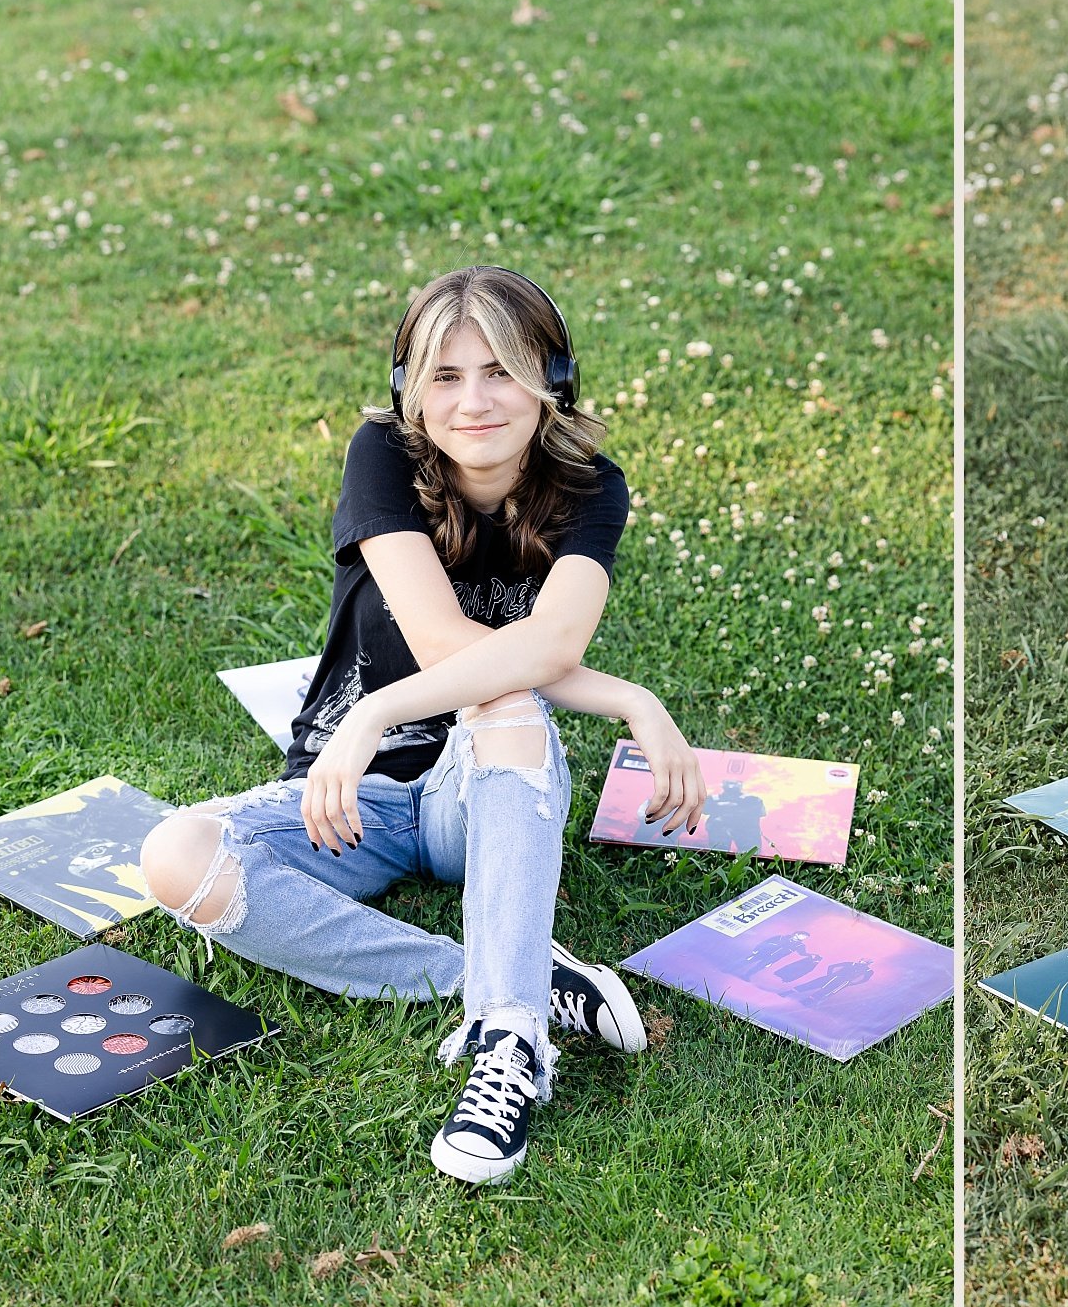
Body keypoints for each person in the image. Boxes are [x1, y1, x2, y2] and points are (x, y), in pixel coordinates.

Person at [137, 265, 708, 1188]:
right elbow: (442, 637)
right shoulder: (385, 454)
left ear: (552, 381)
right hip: (352, 796)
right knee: (176, 854)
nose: (474, 400)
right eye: (445, 376)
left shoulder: (590, 487)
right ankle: (508, 970)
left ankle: (508, 1044)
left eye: (502, 371)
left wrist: (631, 699)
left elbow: (547, 643)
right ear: (410, 390)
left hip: (483, 793)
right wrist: (371, 720)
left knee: (503, 699)